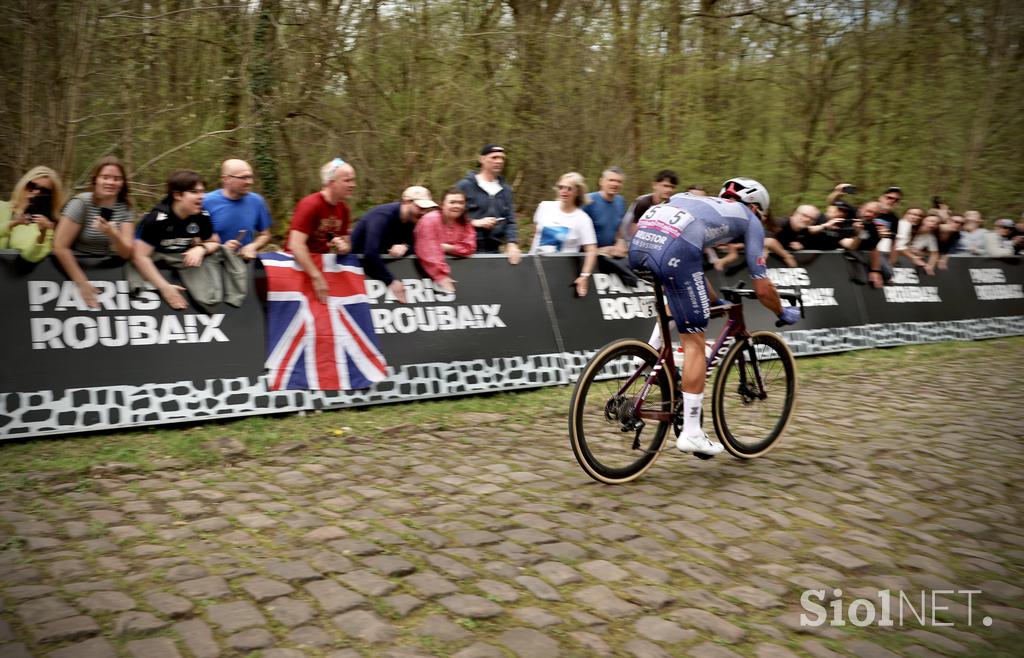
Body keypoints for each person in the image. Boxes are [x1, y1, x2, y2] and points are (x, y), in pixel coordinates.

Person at [628, 177, 798, 457]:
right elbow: (762, 285)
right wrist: (781, 311)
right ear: (756, 207)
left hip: (640, 247)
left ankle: (648, 352)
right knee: (694, 340)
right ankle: (692, 434)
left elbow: (693, 271)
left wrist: (715, 301)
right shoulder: (750, 218)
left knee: (678, 291)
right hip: (675, 250)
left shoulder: (698, 202)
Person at [131, 170, 225, 310]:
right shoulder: (157, 219)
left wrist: (201, 248)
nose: (201, 197)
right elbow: (139, 257)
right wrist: (164, 288)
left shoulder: (202, 216)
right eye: (194, 192)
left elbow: (215, 242)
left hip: (183, 263)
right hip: (155, 266)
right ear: (177, 195)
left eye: (202, 192)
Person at [52, 156, 135, 308]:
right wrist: (82, 283)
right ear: (96, 179)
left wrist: (113, 234)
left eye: (116, 179)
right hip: (74, 269)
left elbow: (126, 253)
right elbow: (59, 246)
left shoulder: (125, 207)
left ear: (122, 183)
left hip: (104, 271)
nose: (110, 182)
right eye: (105, 177)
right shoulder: (81, 203)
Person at [286, 158, 356, 304]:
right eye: (347, 180)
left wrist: (342, 247)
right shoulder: (310, 204)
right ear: (331, 182)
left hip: (321, 266)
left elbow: (346, 245)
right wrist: (316, 276)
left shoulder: (343, 209)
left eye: (353, 180)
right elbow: (296, 245)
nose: (353, 185)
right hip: (298, 267)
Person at [351, 186, 437, 303]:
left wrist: (405, 247)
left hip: (373, 271)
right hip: (352, 269)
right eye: (420, 207)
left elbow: (419, 247)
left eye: (427, 209)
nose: (423, 212)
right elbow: (370, 253)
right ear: (406, 202)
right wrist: (391, 281)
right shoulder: (382, 216)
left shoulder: (414, 221)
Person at [528, 172, 598, 297]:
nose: (564, 191)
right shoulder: (544, 207)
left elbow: (591, 249)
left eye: (569, 188)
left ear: (577, 191)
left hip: (561, 275)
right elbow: (535, 234)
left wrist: (585, 276)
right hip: (534, 268)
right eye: (561, 187)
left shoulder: (582, 219)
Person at [454, 144, 522, 264]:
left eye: (502, 158)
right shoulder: (465, 185)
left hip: (494, 251)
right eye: (494, 157)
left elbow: (510, 221)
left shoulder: (506, 190)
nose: (499, 161)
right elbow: (449, 217)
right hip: (464, 251)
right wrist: (475, 222)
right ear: (482, 159)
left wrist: (512, 243)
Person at [203, 159, 272, 259]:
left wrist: (252, 246)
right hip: (213, 264)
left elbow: (265, 235)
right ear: (225, 179)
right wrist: (222, 248)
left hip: (244, 263)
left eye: (250, 177)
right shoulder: (205, 201)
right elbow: (194, 238)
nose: (250, 182)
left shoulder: (257, 201)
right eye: (243, 177)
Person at [414, 187, 476, 293]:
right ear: (442, 205)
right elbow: (428, 250)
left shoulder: (465, 223)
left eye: (461, 203)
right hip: (421, 278)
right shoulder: (430, 219)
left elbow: (469, 247)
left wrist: (448, 248)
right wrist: (441, 276)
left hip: (453, 276)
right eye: (452, 202)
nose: (457, 206)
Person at [0, 166, 66, 262]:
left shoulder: (46, 224)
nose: (36, 192)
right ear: (23, 184)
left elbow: (31, 256)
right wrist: (12, 223)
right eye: (32, 186)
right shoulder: (1, 207)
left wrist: (42, 235)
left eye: (44, 191)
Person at [582, 167, 627, 257]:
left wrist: (620, 243)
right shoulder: (587, 200)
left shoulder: (620, 201)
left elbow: (618, 228)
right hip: (586, 256)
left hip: (611, 256)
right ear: (601, 182)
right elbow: (576, 233)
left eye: (619, 181)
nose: (615, 184)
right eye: (611, 180)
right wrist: (596, 250)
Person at [621, 169, 678, 235]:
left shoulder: (670, 205)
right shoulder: (643, 203)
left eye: (672, 187)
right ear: (654, 185)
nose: (669, 190)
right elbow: (631, 230)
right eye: (665, 186)